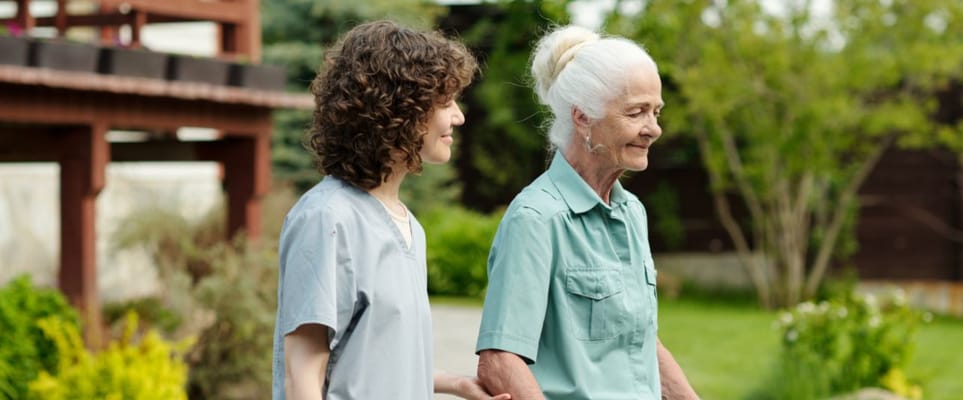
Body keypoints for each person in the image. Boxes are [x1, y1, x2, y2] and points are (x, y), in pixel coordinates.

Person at [272, 20, 510, 400]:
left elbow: (374, 361)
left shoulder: (408, 225)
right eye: (446, 102)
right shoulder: (327, 218)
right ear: (400, 108)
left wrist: (456, 384)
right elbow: (301, 377)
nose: (459, 116)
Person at [474, 25, 700, 400]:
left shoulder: (631, 213)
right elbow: (500, 359)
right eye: (636, 112)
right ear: (583, 118)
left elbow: (639, 343)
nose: (654, 129)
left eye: (656, 111)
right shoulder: (536, 218)